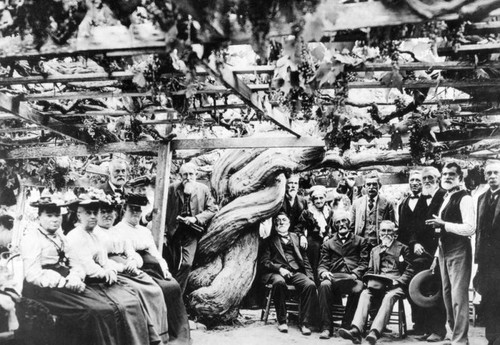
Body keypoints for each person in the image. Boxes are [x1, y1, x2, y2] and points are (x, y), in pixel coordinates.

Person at [21, 195, 154, 345]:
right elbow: (32, 275)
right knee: (94, 311)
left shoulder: (60, 236)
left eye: (57, 215)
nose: (54, 219)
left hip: (66, 279)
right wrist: (63, 281)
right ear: (39, 217)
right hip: (44, 288)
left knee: (108, 306)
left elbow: (74, 261)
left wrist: (76, 275)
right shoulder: (32, 238)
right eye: (49, 215)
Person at [66, 193, 164, 345]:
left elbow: (103, 260)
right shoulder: (76, 236)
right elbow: (88, 265)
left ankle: (143, 339)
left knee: (132, 299)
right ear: (79, 215)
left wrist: (110, 269)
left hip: (105, 276)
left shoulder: (94, 235)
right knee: (117, 306)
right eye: (88, 213)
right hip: (90, 279)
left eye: (94, 213)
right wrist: (107, 272)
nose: (93, 217)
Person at [112, 193, 190, 345]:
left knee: (172, 285)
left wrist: (164, 268)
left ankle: (178, 333)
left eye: (138, 210)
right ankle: (160, 333)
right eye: (132, 209)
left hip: (153, 266)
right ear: (124, 209)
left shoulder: (144, 231)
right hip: (138, 267)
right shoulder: (119, 230)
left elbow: (155, 253)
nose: (135, 213)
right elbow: (130, 255)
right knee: (159, 289)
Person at [339, 220, 415, 345]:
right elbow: (369, 269)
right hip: (378, 283)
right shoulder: (374, 250)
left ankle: (374, 332)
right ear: (379, 233)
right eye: (383, 231)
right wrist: (368, 279)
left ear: (394, 233)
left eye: (389, 231)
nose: (386, 234)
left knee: (389, 296)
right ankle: (355, 330)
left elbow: (410, 269)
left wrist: (399, 281)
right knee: (364, 294)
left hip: (396, 284)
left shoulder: (403, 248)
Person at [426, 162, 476, 345]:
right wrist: (436, 256)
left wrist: (444, 225)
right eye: (445, 174)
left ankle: (460, 340)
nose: (447, 177)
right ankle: (455, 335)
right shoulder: (447, 196)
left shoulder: (465, 198)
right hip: (443, 250)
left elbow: (470, 228)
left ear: (460, 178)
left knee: (458, 297)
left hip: (459, 250)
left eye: (452, 174)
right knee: (447, 296)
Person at [260, 212, 319, 335]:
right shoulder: (269, 240)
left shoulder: (296, 237)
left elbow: (305, 260)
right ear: (274, 225)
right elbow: (264, 261)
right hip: (276, 272)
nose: (280, 223)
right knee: (279, 283)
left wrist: (310, 277)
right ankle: (282, 321)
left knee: (310, 285)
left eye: (283, 220)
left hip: (295, 271)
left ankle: (304, 323)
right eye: (277, 221)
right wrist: (279, 269)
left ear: (289, 223)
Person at [165, 162, 218, 293]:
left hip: (193, 231)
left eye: (191, 174)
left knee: (186, 264)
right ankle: (169, 295)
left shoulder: (203, 189)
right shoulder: (172, 189)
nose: (188, 178)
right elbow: (165, 211)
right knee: (171, 264)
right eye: (185, 175)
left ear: (196, 175)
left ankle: (175, 295)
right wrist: (165, 233)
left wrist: (195, 219)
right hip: (175, 231)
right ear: (180, 176)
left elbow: (212, 209)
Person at [317, 210, 369, 339]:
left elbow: (364, 263)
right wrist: (323, 272)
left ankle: (346, 325)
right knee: (324, 286)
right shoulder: (328, 243)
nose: (341, 224)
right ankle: (326, 327)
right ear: (334, 225)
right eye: (338, 222)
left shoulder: (360, 241)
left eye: (344, 221)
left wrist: (356, 274)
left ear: (349, 223)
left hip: (353, 276)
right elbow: (322, 264)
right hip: (335, 276)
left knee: (358, 288)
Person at [409, 166, 447, 342]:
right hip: (422, 252)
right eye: (424, 179)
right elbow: (414, 225)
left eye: (430, 178)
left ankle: (439, 330)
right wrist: (415, 242)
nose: (426, 181)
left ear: (438, 179)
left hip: (439, 250)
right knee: (423, 289)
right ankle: (426, 328)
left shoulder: (444, 195)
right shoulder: (422, 198)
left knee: (436, 292)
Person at [475, 161, 500, 345]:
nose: (492, 176)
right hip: (487, 259)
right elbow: (479, 230)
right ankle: (492, 338)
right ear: (485, 176)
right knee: (489, 297)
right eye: (489, 173)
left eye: (496, 173)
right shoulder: (481, 198)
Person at [296, 185, 333, 282]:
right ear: (312, 200)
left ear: (325, 199)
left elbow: (333, 228)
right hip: (313, 242)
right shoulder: (307, 212)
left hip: (326, 241)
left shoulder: (329, 212)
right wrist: (302, 236)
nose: (319, 201)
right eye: (316, 198)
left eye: (321, 198)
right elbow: (298, 228)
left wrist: (328, 236)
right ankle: (314, 283)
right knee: (314, 258)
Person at [351, 173, 395, 251]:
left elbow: (393, 226)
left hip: (380, 245)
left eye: (374, 184)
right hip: (361, 246)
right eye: (368, 184)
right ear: (364, 186)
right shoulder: (356, 203)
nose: (371, 187)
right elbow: (351, 227)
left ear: (379, 186)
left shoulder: (388, 203)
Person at [281, 174, 308, 245]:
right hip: (280, 236)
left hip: (296, 236)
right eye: (290, 183)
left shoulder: (303, 201)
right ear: (285, 185)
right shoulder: (279, 200)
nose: (293, 186)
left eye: (296, 183)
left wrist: (302, 236)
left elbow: (303, 222)